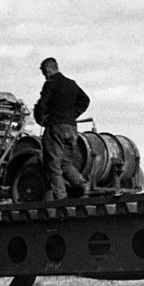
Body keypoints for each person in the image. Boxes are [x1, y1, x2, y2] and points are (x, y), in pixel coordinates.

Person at [33, 58, 90, 200]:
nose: (44, 76)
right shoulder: (71, 84)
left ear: (47, 70)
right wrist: (72, 115)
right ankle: (83, 185)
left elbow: (42, 106)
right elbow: (85, 100)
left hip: (55, 128)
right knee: (65, 162)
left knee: (53, 164)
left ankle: (61, 199)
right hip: (71, 129)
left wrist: (41, 119)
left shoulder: (50, 84)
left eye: (44, 73)